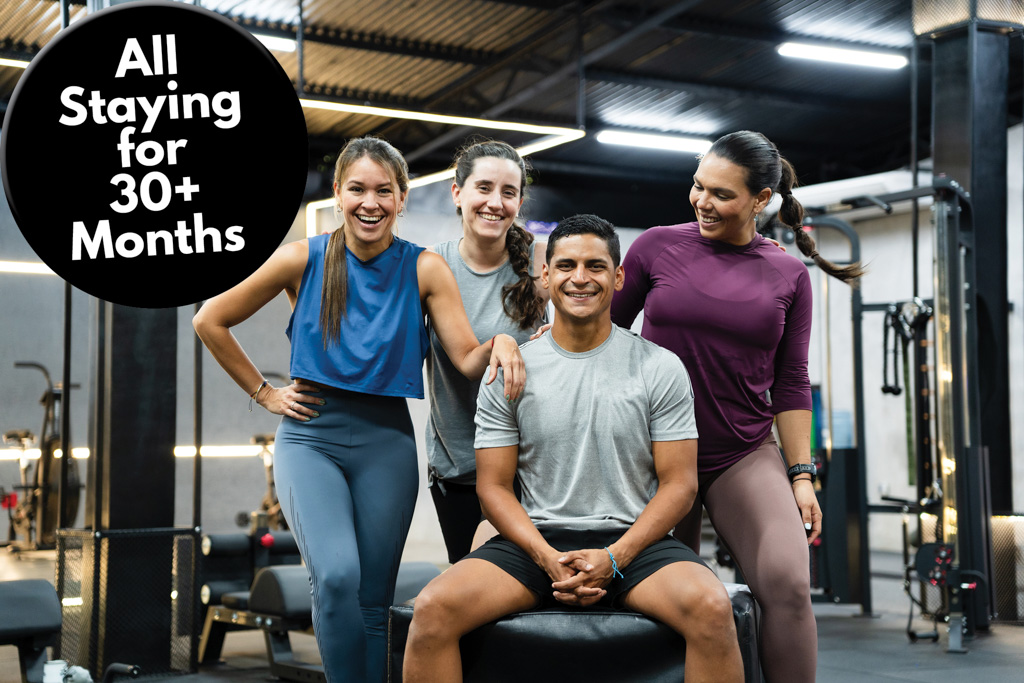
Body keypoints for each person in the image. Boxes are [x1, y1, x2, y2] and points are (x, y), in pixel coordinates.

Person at [192, 136, 525, 683]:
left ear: (402, 199)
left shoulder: (424, 269)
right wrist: (265, 393)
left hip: (386, 442)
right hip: (311, 438)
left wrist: (504, 345)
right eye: (357, 190)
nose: (370, 203)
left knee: (374, 598)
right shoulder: (304, 257)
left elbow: (467, 358)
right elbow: (210, 319)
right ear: (339, 194)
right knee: (338, 575)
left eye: (383, 191)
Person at [403, 214, 745, 683]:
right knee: (432, 610)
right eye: (565, 265)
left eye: (595, 266)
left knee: (711, 608)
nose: (579, 278)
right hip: (536, 542)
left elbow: (680, 485)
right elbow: (494, 489)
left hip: (633, 544)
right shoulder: (511, 370)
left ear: (618, 277)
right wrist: (545, 556)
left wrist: (615, 558)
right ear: (546, 276)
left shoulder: (659, 368)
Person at [610, 130, 864, 683]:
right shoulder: (656, 246)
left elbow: (791, 381)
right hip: (651, 452)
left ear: (761, 199)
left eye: (721, 194)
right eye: (698, 186)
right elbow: (599, 335)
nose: (702, 201)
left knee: (789, 585)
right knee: (663, 601)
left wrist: (801, 474)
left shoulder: (789, 274)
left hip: (740, 452)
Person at [426, 140, 548, 564]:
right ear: (457, 193)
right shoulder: (430, 267)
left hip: (531, 469)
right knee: (473, 598)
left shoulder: (541, 260)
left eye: (509, 192)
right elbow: (462, 362)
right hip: (458, 469)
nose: (495, 203)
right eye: (483, 188)